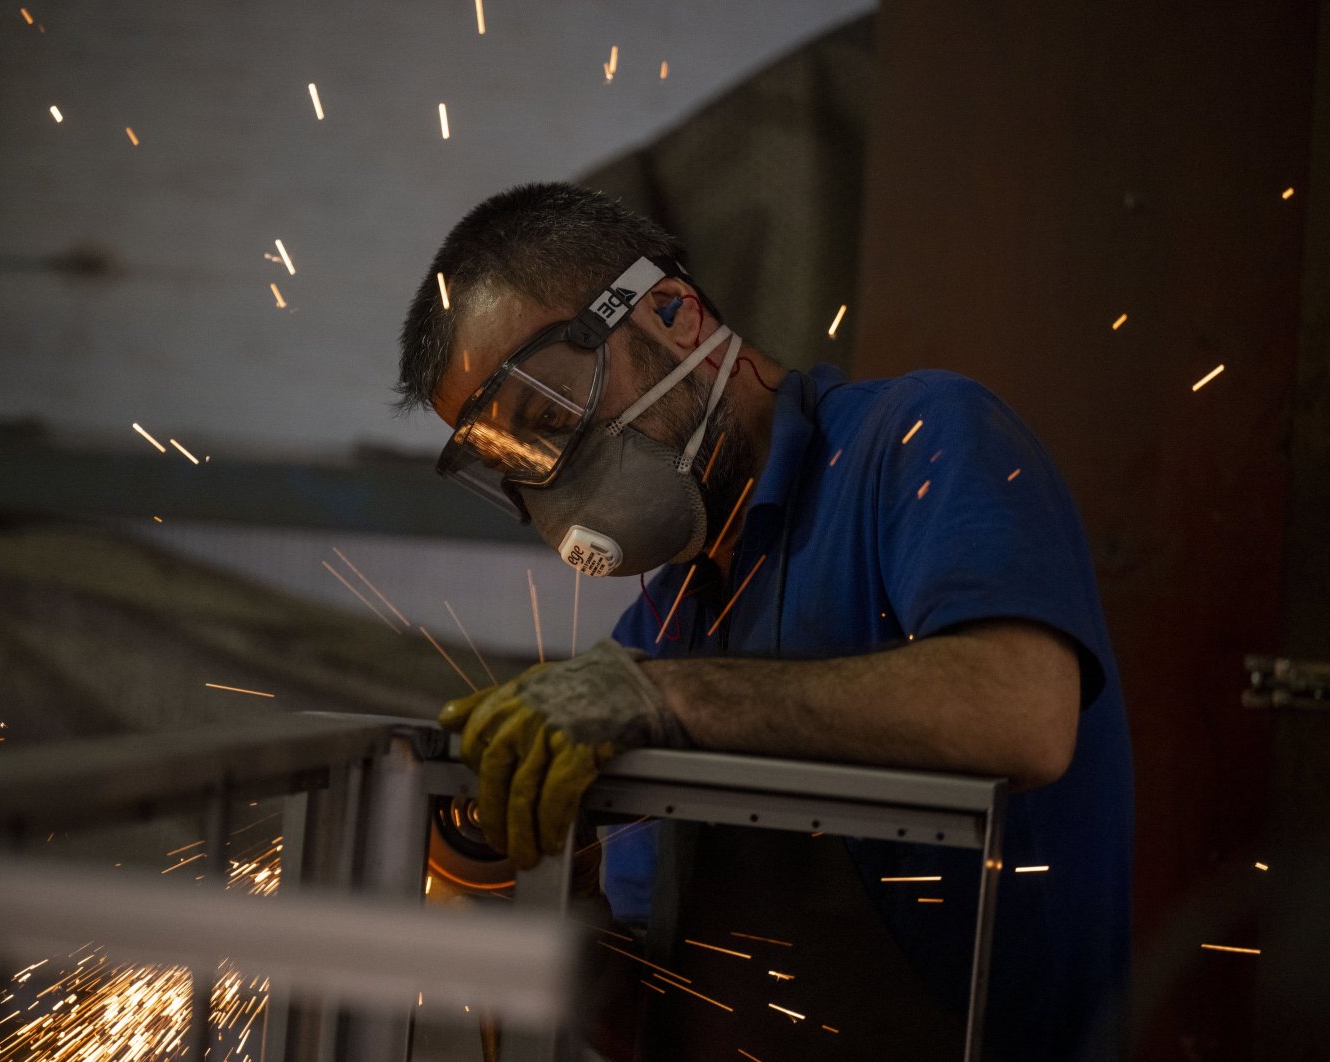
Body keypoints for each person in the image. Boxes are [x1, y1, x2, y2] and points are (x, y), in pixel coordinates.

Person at [395, 183, 1133, 1062]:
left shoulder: (917, 442)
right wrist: (544, 916)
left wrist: (666, 699)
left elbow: (1023, 713)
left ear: (674, 313)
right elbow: (660, 1007)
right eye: (513, 462)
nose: (549, 478)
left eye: (550, 419)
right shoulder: (663, 623)